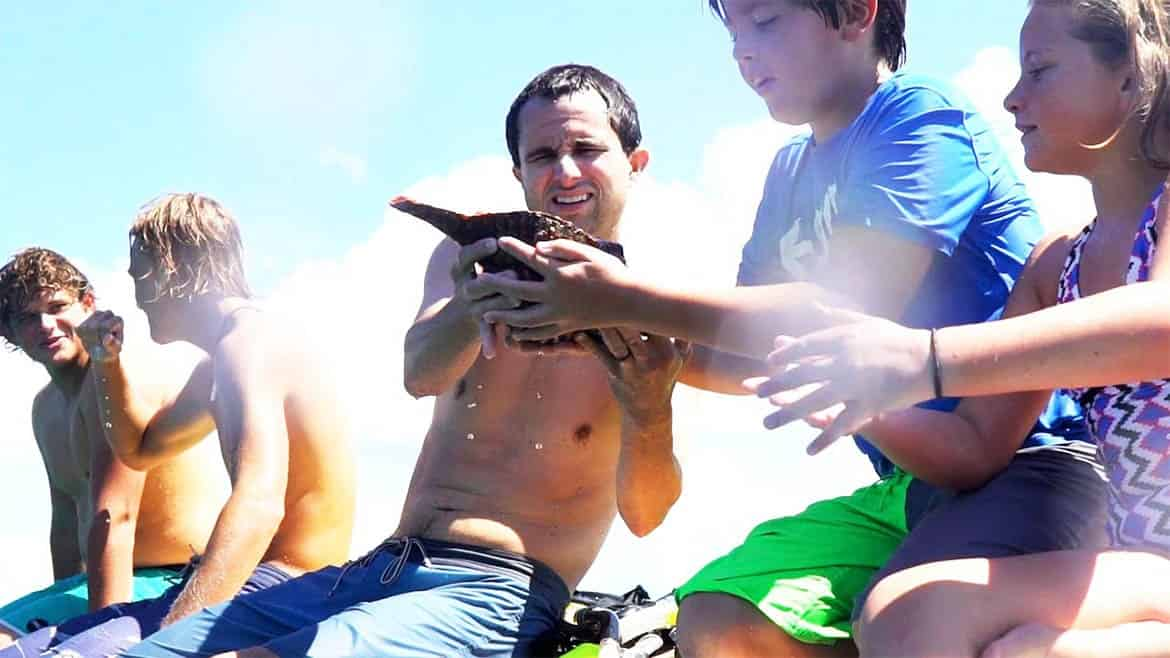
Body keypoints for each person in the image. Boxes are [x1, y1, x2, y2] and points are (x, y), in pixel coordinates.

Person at [472, 1, 1108, 655]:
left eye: (766, 22)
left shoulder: (921, 113)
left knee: (908, 622)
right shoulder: (790, 171)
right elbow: (745, 357)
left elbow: (847, 303)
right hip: (910, 486)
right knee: (718, 619)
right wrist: (595, 336)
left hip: (1033, 467)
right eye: (734, 31)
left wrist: (616, 301)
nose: (744, 50)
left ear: (857, 13)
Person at [122, 63, 687, 658]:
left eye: (586, 149)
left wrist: (651, 410)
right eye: (543, 154)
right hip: (383, 566)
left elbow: (646, 516)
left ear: (635, 163)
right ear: (518, 171)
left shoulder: (650, 312)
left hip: (498, 590)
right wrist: (474, 305)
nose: (565, 171)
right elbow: (420, 375)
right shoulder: (465, 258)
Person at [751, 2, 1170, 655]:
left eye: (1041, 69)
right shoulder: (1055, 266)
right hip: (1146, 564)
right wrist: (862, 396)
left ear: (1131, 77)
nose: (1011, 97)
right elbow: (974, 447)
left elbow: (1156, 322)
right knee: (915, 618)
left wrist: (925, 358)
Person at [1, 193, 357, 657]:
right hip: (237, 576)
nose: (135, 292)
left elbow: (259, 506)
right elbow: (141, 449)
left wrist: (174, 638)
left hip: (288, 580)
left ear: (171, 270)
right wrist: (107, 362)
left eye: (138, 274)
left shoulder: (249, 346)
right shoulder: (218, 361)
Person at [0, 247, 227, 647]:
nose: (46, 325)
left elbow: (114, 515)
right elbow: (66, 522)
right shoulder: (45, 408)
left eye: (57, 307)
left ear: (88, 304)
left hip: (176, 575)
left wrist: (94, 634)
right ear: (8, 333)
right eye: (27, 319)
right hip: (109, 580)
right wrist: (62, 605)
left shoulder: (116, 380)